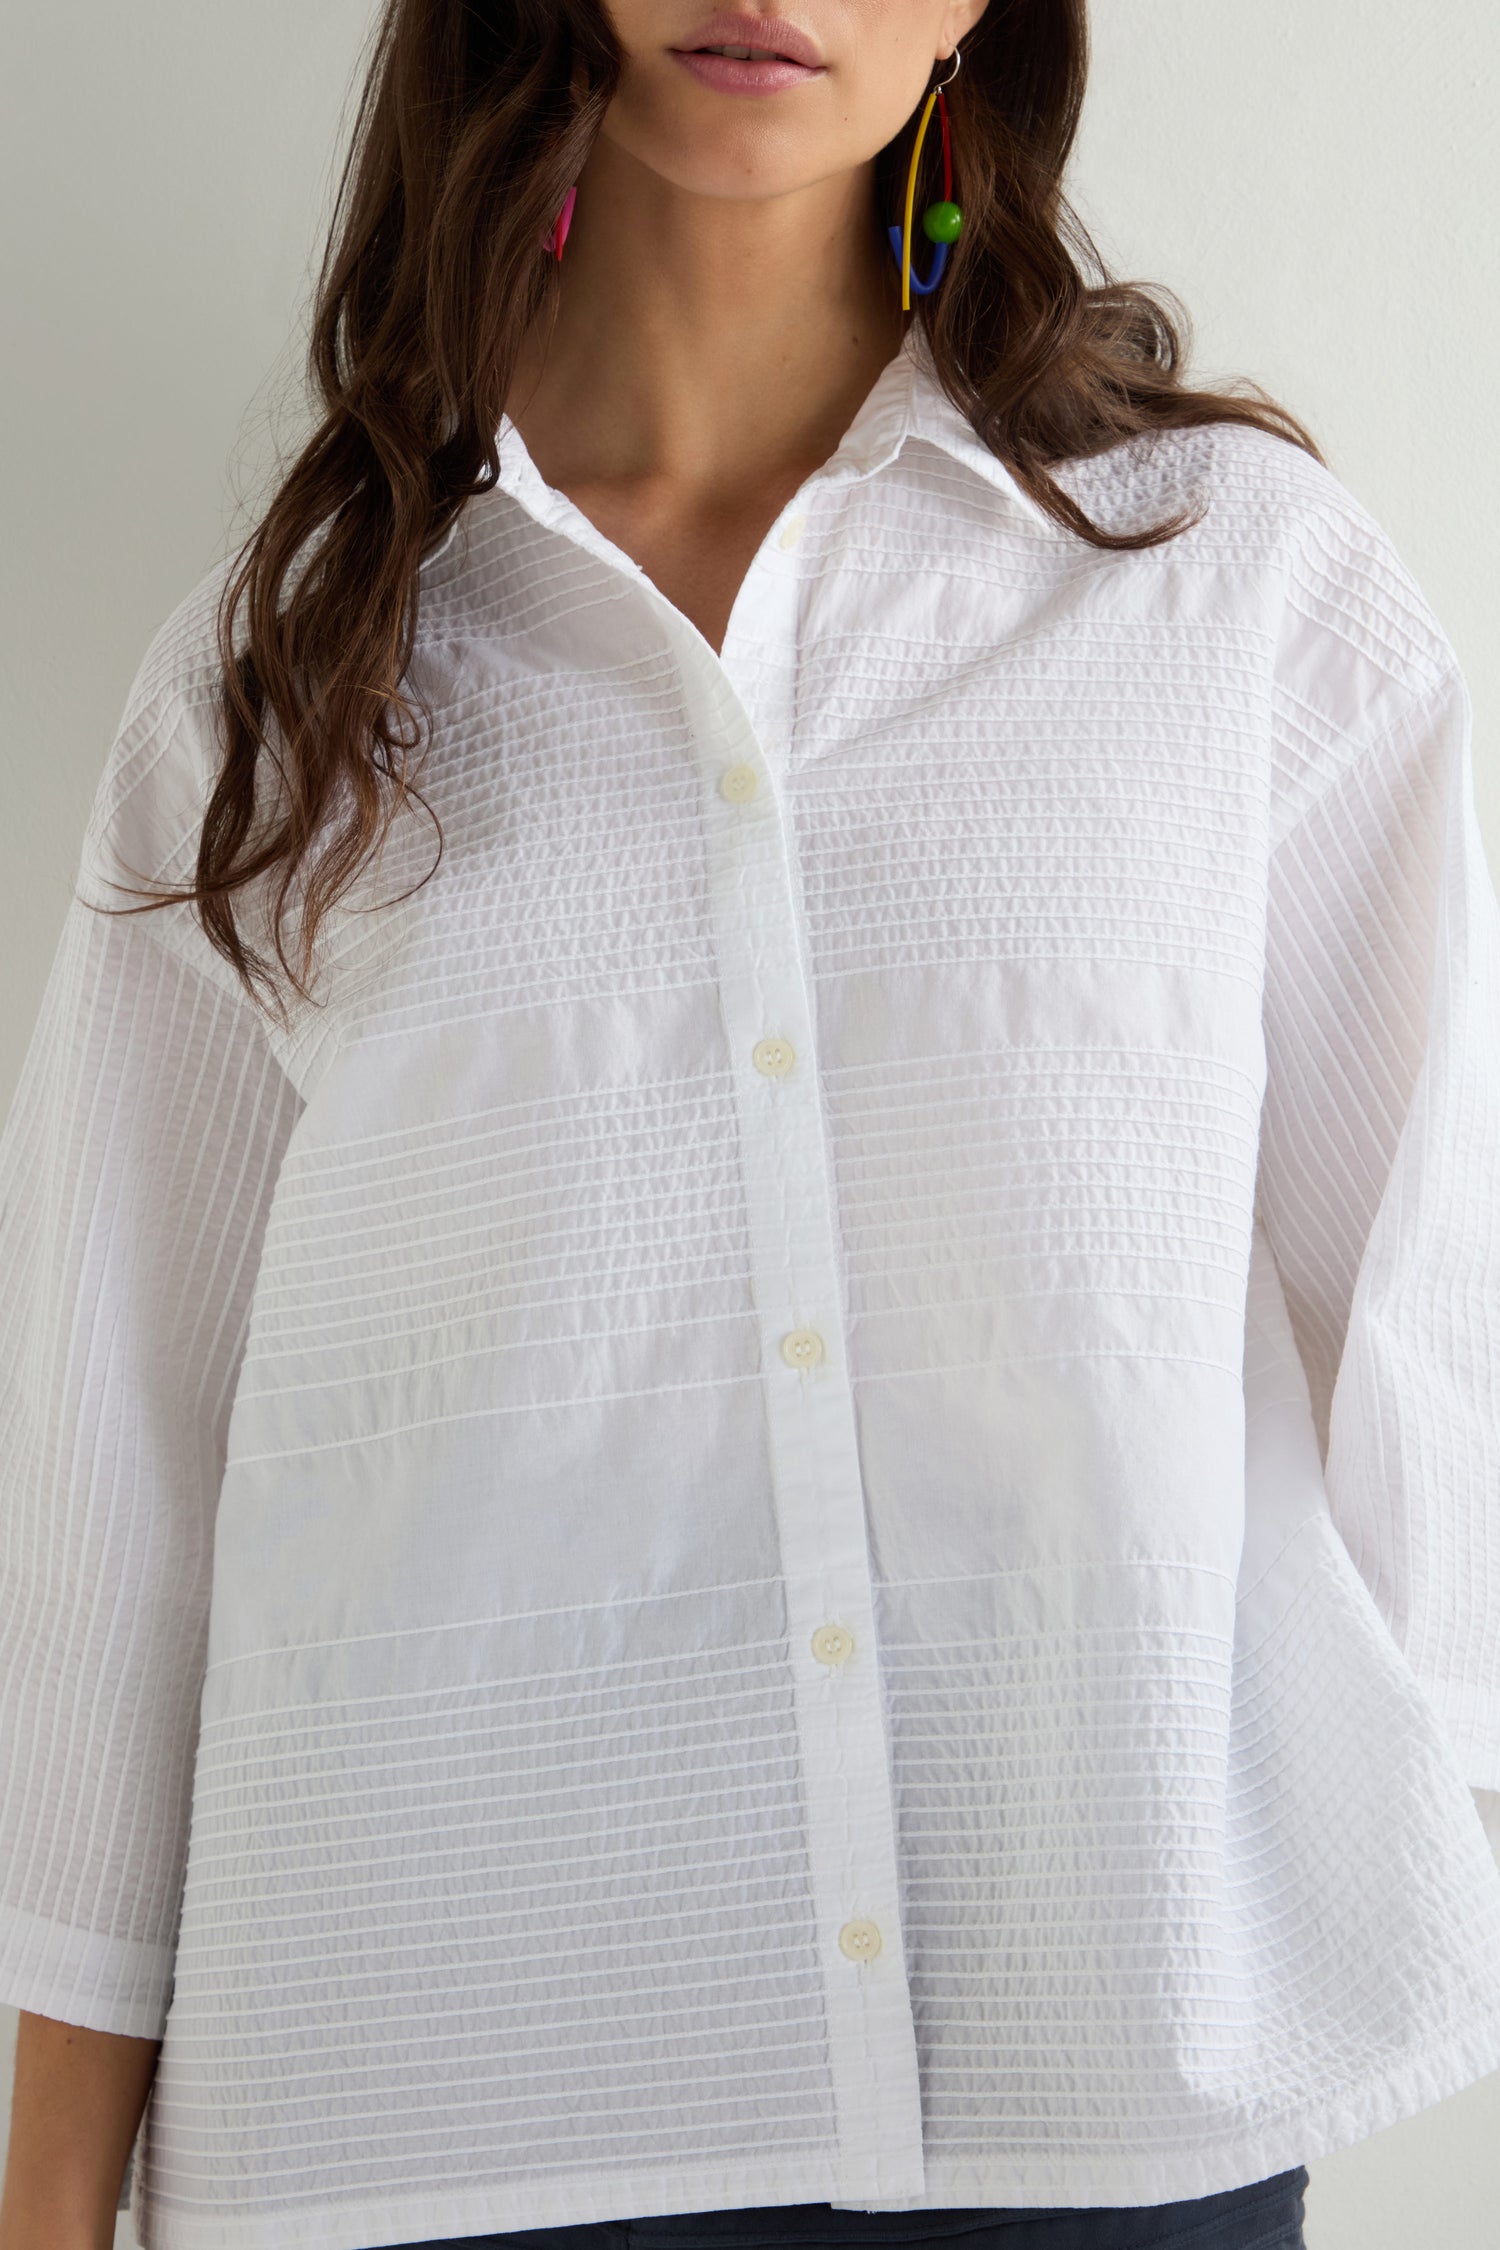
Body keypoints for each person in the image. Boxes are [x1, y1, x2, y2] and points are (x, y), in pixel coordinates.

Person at [1, 3, 1498, 2248]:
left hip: (1102, 2099)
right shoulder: (286, 679)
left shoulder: (1237, 594)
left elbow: (1439, 1339)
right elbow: (116, 1493)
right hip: (431, 2122)